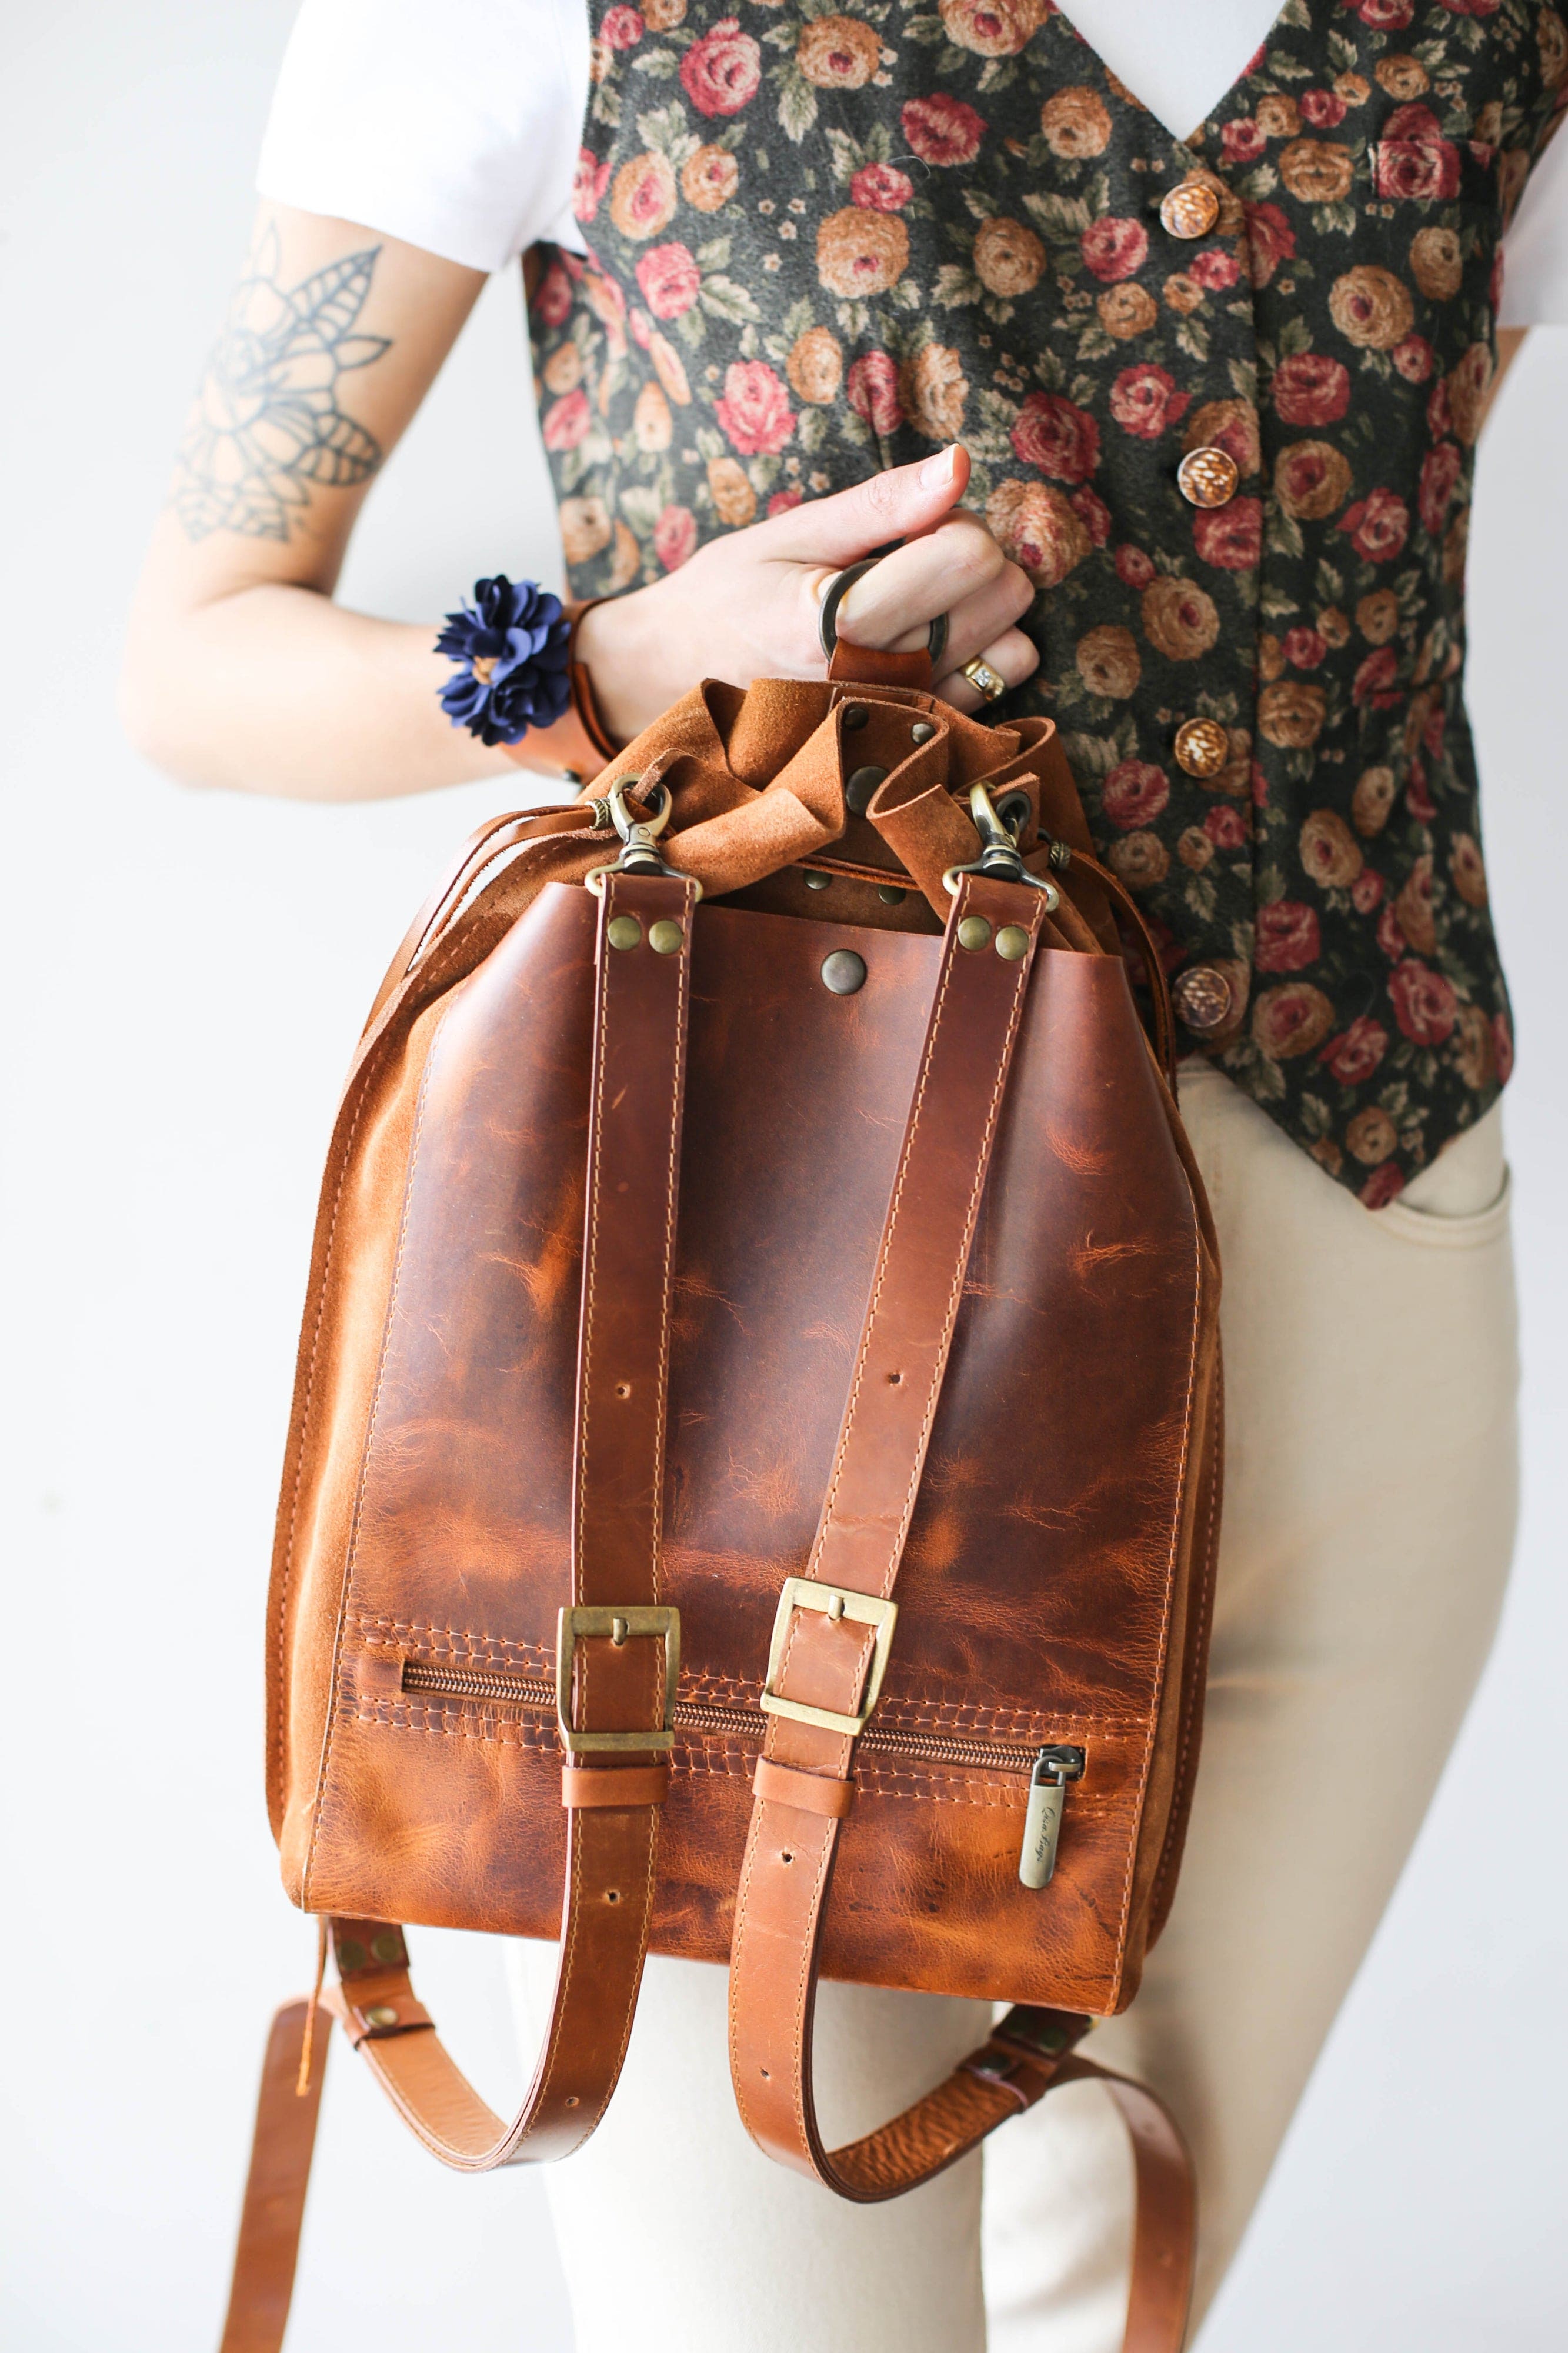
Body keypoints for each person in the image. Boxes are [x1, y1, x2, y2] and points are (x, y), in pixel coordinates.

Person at [122, 5, 1566, 2348]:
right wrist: (607, 666)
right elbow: (192, 661)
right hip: (781, 1352)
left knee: (1111, 2297)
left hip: (1366, 1289)